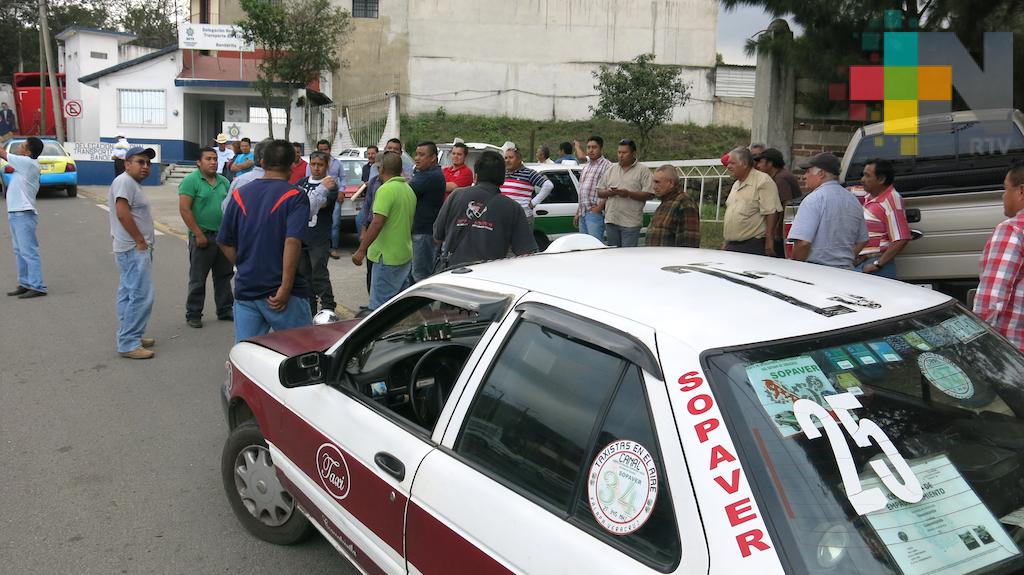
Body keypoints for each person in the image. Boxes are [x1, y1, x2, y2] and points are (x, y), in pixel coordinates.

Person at [217, 140, 312, 343]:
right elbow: (292, 241)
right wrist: (285, 286)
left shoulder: (239, 194)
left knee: (246, 353)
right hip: (283, 295)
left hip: (247, 290)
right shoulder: (295, 196)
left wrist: (244, 264)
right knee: (300, 352)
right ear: (292, 164)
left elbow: (224, 241)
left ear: (261, 162)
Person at [434, 150, 537, 267]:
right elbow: (526, 252)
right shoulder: (513, 208)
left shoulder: (455, 196)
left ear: (475, 176)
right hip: (489, 275)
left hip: (453, 273)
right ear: (502, 178)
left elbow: (437, 237)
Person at [108, 146, 158, 359]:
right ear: (127, 164)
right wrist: (139, 240)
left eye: (148, 163)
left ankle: (131, 334)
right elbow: (122, 213)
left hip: (130, 248)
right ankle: (129, 342)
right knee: (141, 295)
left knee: (129, 293)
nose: (145, 166)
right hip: (132, 248)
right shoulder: (125, 182)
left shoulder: (130, 183)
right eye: (140, 162)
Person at [352, 152, 416, 311]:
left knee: (379, 308)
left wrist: (361, 250)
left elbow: (377, 222)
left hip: (386, 257)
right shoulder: (408, 190)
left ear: (381, 169)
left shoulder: (385, 190)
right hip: (403, 255)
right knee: (398, 307)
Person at [178, 147, 233, 328]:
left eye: (215, 159)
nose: (213, 162)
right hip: (202, 237)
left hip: (223, 238)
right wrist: (198, 234)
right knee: (198, 278)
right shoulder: (191, 181)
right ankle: (193, 313)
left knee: (224, 276)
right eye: (208, 159)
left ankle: (225, 309)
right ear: (198, 162)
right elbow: (185, 209)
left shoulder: (224, 181)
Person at [974, 162, 1024, 351]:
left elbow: (991, 299)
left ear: (1021, 191)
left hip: (1014, 353)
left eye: (1005, 189)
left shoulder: (1012, 230)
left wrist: (976, 346)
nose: (1003, 196)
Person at [789, 153, 868, 269]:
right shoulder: (853, 200)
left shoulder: (813, 200)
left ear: (821, 174)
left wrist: (796, 268)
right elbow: (863, 240)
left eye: (808, 171)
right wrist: (845, 259)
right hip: (846, 271)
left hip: (816, 271)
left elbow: (803, 243)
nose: (804, 176)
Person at [2, 137, 47, 299]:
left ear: (28, 152)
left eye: (22, 146)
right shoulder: (24, 164)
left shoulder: (27, 163)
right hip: (16, 212)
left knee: (28, 251)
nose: (18, 148)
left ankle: (37, 286)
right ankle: (25, 283)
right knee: (19, 251)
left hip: (23, 213)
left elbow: (2, 153)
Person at [295, 151, 339, 314]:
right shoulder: (301, 183)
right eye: (313, 164)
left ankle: (328, 306)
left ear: (326, 166)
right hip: (302, 237)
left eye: (320, 165)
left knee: (319, 275)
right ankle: (310, 308)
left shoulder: (330, 184)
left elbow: (320, 204)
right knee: (303, 275)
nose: (316, 168)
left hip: (319, 237)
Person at [853, 159, 911, 278]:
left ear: (881, 179)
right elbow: (847, 191)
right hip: (862, 263)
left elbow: (901, 239)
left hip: (875, 266)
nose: (862, 179)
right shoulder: (869, 194)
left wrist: (878, 264)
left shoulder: (891, 201)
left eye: (867, 176)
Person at [722, 146, 782, 255]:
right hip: (732, 246)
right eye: (728, 163)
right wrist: (726, 243)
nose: (728, 166)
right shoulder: (736, 184)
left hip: (752, 245)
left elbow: (771, 212)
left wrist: (769, 241)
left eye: (732, 163)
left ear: (744, 164)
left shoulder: (763, 181)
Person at [596, 138, 654, 247]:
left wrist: (629, 194)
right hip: (611, 221)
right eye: (619, 152)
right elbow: (599, 192)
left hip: (630, 223)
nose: (621, 156)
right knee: (614, 254)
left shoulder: (643, 170)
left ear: (633, 153)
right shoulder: (611, 169)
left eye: (624, 153)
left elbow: (650, 194)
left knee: (628, 255)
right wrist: (610, 193)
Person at [753, 147, 802, 257]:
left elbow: (785, 205)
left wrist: (777, 233)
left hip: (783, 233)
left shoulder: (781, 179)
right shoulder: (778, 176)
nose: (758, 165)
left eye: (761, 162)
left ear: (770, 163)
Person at [409, 141, 446, 283]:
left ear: (433, 158)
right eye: (416, 154)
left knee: (420, 276)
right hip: (422, 232)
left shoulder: (430, 176)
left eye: (422, 155)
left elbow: (407, 190)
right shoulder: (424, 173)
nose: (417, 158)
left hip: (424, 233)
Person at [646, 165, 700, 247]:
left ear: (671, 183)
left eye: (657, 182)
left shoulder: (684, 203)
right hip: (656, 254)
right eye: (653, 182)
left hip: (671, 255)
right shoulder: (666, 202)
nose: (654, 187)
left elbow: (689, 242)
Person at [501, 142, 553, 226]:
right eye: (506, 158)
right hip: (504, 217)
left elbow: (548, 185)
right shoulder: (502, 174)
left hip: (522, 217)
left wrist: (534, 202)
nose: (507, 160)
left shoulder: (529, 173)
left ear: (519, 159)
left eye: (511, 157)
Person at [573, 136, 612, 242]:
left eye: (594, 147)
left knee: (595, 245)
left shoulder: (607, 166)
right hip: (583, 213)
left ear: (601, 149)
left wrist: (598, 208)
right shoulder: (586, 167)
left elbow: (610, 190)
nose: (590, 150)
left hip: (595, 214)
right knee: (584, 246)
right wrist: (578, 213)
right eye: (588, 147)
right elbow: (582, 191)